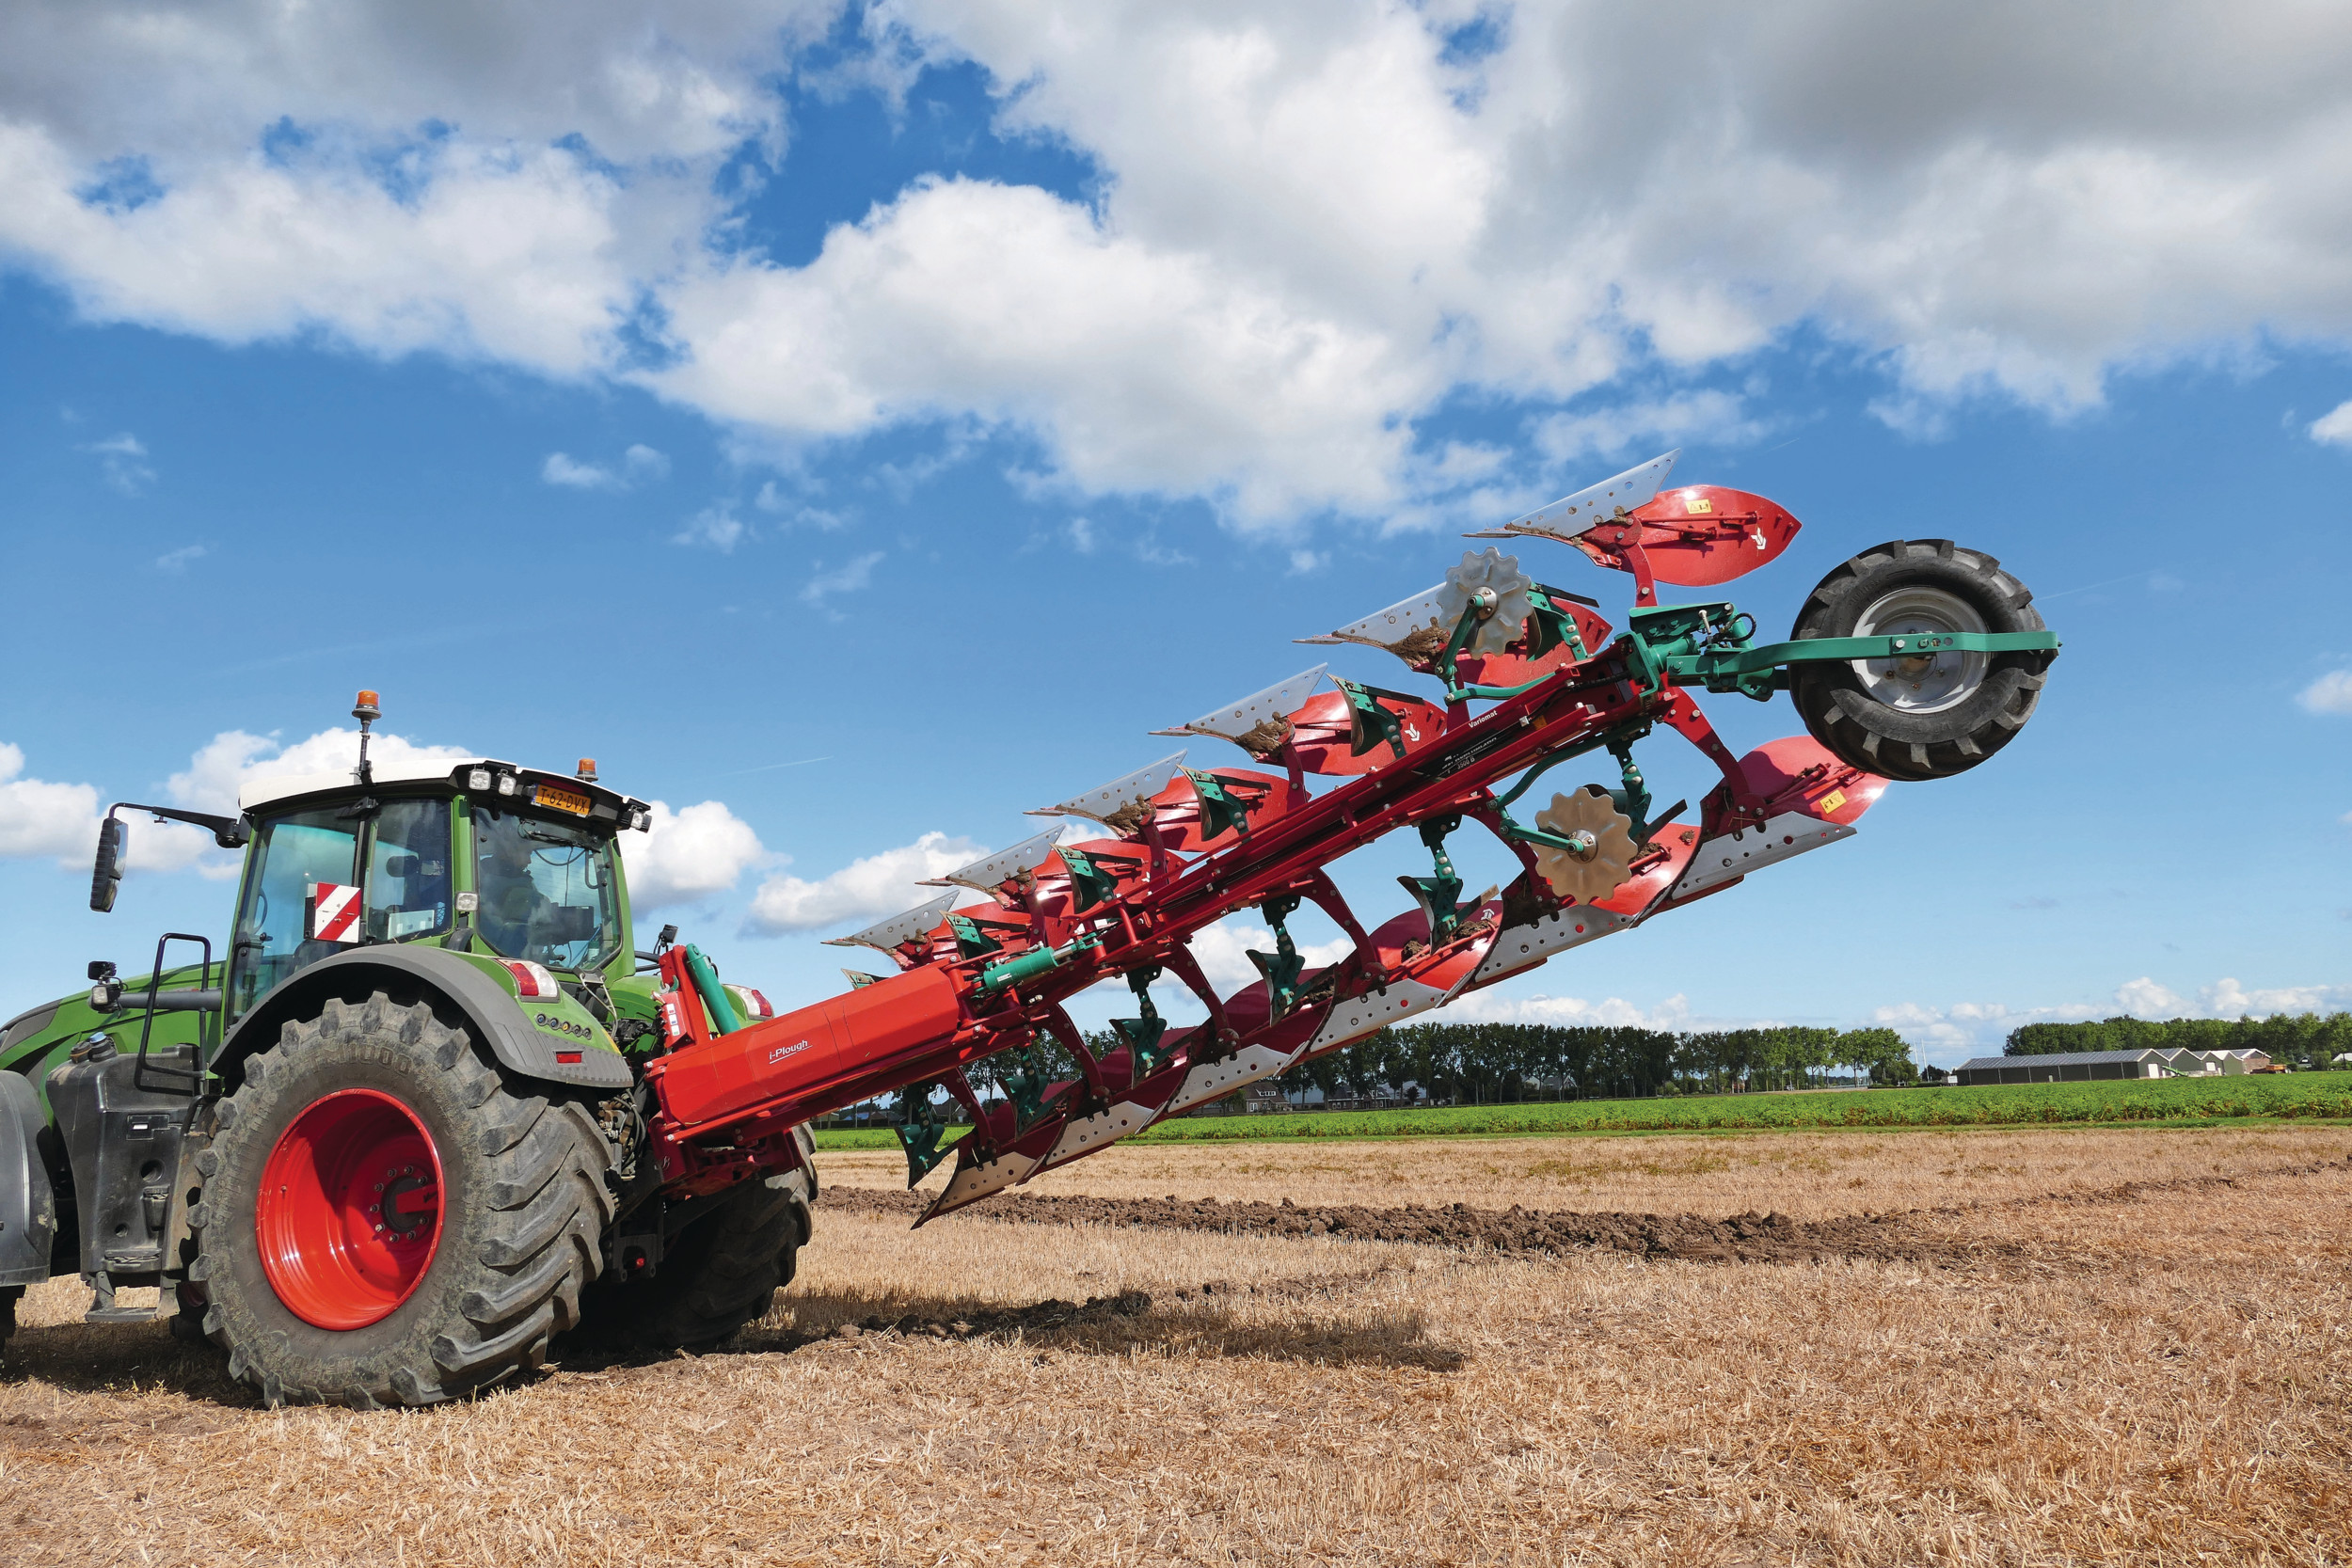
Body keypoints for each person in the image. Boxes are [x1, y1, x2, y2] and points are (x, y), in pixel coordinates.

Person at [475, 815, 545, 957]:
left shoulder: (525, 882)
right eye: (527, 853)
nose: (530, 861)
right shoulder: (478, 877)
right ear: (508, 851)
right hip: (487, 950)